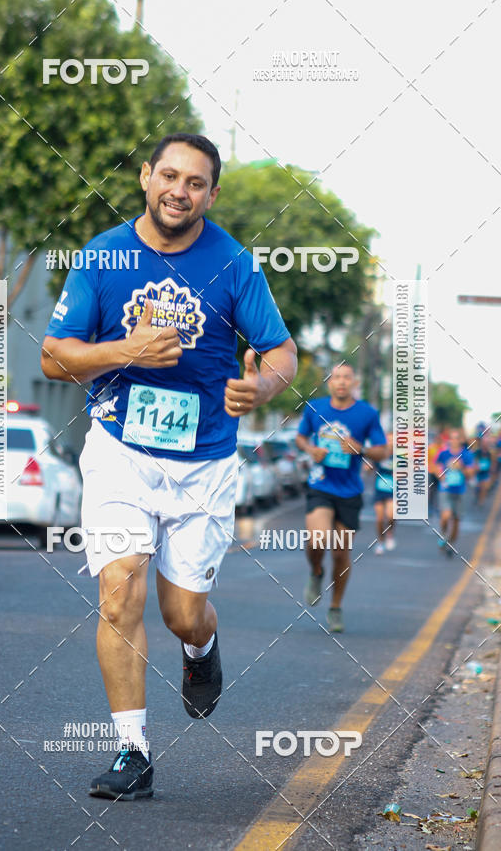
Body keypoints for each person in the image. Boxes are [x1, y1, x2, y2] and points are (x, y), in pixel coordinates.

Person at [41, 133, 297, 800]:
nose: (180, 191)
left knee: (183, 612)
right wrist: (123, 349)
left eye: (196, 183)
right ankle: (133, 753)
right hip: (121, 450)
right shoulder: (102, 255)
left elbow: (279, 351)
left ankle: (200, 650)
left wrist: (260, 388)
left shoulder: (234, 262)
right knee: (119, 588)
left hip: (204, 461)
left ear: (211, 194)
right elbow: (53, 356)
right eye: (170, 176)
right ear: (146, 177)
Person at [295, 364, 388, 632]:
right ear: (329, 383)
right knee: (317, 538)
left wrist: (362, 449)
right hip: (320, 484)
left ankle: (335, 607)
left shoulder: (367, 413)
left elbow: (382, 451)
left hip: (350, 491)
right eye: (337, 377)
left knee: (339, 552)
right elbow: (300, 439)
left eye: (347, 377)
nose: (342, 382)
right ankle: (315, 572)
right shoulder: (315, 408)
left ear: (354, 382)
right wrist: (311, 449)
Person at [435, 428, 475, 555]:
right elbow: (436, 466)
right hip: (445, 490)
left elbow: (471, 473)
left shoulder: (466, 455)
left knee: (456, 521)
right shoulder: (444, 454)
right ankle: (444, 534)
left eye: (456, 438)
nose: (454, 441)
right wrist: (440, 475)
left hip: (460, 491)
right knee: (446, 516)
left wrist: (461, 467)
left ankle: (449, 543)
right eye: (451, 438)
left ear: (461, 440)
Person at [373, 432, 395, 555]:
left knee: (391, 516)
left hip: (394, 490)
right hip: (380, 489)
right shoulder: (380, 455)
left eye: (392, 440)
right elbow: (370, 467)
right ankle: (380, 541)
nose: (390, 443)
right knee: (380, 519)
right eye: (388, 440)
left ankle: (390, 534)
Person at [472, 431, 493, 505]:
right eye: (484, 442)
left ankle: (481, 501)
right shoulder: (477, 452)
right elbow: (475, 461)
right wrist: (476, 467)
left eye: (487, 443)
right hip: (478, 473)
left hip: (485, 473)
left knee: (484, 488)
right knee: (478, 487)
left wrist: (490, 471)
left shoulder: (489, 453)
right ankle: (477, 495)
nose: (485, 444)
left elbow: (491, 463)